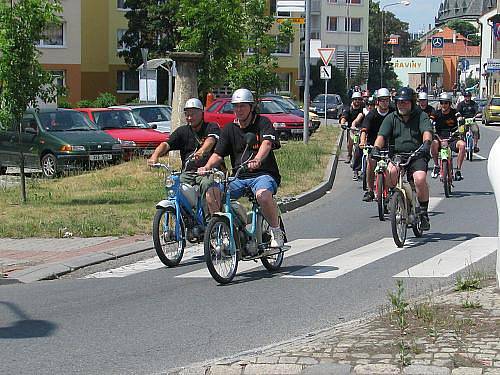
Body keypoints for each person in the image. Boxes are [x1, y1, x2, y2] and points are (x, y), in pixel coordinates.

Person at [197, 88, 285, 248]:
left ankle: (276, 230)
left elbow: (266, 143)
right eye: (236, 106)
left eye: (243, 106)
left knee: (263, 196)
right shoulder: (229, 129)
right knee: (212, 193)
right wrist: (207, 166)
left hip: (263, 174)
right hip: (239, 176)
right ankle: (223, 231)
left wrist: (258, 159)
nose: (239, 110)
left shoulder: (262, 122)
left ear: (251, 107)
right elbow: (218, 154)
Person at [372, 87, 433, 231]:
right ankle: (397, 198)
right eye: (399, 102)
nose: (402, 105)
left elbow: (427, 132)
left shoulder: (421, 115)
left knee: (419, 179)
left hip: (417, 153)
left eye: (405, 102)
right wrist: (376, 148)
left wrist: (426, 144)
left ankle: (423, 212)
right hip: (398, 155)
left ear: (412, 103)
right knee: (391, 172)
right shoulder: (391, 118)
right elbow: (381, 136)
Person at [148, 98, 221, 215]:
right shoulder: (182, 131)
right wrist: (154, 156)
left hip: (207, 171)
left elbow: (211, 140)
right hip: (188, 172)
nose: (189, 118)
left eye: (192, 114)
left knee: (206, 184)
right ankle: (184, 217)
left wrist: (201, 151)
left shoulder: (211, 127)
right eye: (187, 114)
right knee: (174, 184)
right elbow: (166, 144)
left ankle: (210, 222)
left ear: (201, 113)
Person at [360, 88, 393, 202]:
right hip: (374, 145)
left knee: (393, 167)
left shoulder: (393, 113)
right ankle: (370, 190)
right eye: (382, 100)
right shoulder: (372, 114)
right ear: (377, 101)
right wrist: (363, 141)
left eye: (387, 100)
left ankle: (392, 189)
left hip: (390, 145)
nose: (385, 102)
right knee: (371, 163)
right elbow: (364, 129)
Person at [430, 92, 465, 181]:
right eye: (442, 103)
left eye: (446, 103)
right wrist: (430, 122)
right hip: (439, 137)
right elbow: (431, 118)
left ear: (449, 103)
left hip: (452, 137)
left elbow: (459, 117)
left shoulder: (454, 112)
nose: (444, 105)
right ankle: (436, 166)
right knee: (433, 143)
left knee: (462, 145)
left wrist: (460, 120)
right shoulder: (436, 113)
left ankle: (458, 170)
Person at [340, 91, 365, 180]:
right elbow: (343, 117)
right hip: (352, 129)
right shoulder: (348, 109)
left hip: (362, 129)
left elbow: (362, 116)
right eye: (355, 99)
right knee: (350, 143)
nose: (357, 101)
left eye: (359, 99)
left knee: (362, 147)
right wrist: (343, 123)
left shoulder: (363, 108)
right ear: (352, 100)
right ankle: (349, 154)